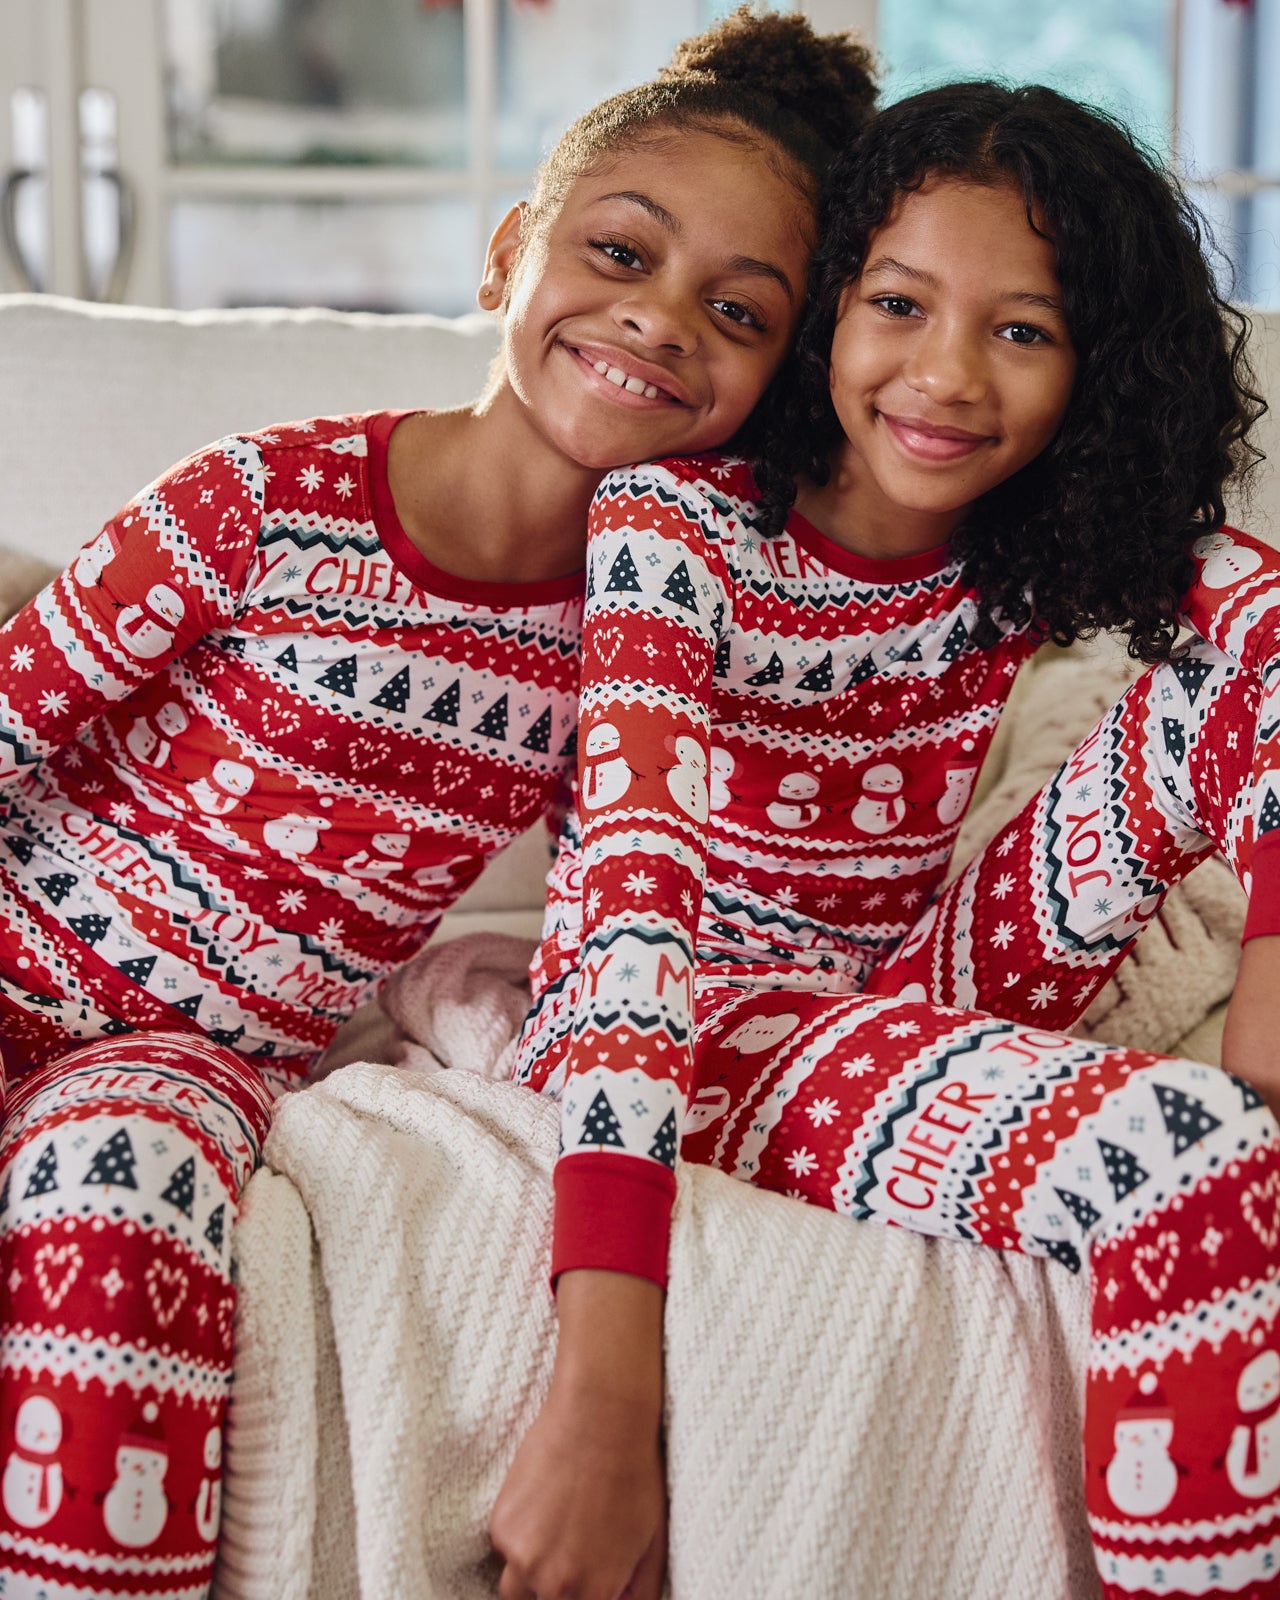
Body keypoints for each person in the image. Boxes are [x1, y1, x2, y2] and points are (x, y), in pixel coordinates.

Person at [0, 12, 878, 1596]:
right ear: (507, 254)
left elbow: (630, 935)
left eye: (738, 310)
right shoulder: (256, 505)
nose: (660, 317)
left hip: (190, 1062)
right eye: (621, 251)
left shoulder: (640, 637)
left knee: (126, 1209)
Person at [506, 82, 1280, 1600]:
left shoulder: (1024, 544)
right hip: (693, 1022)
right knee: (1186, 1160)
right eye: (901, 304)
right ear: (827, 311)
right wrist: (603, 1396)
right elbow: (629, 903)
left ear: (1097, 369)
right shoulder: (679, 527)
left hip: (906, 986)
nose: (947, 376)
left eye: (1023, 330)